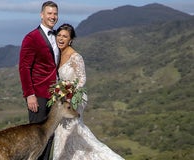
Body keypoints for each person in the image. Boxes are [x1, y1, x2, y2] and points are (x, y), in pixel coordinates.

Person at [52, 23, 125, 160]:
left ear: (71, 40)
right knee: (63, 133)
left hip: (76, 98)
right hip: (63, 99)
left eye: (65, 36)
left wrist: (71, 96)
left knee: (70, 131)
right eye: (59, 35)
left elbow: (82, 79)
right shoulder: (58, 54)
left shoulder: (76, 57)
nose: (61, 39)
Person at [18, 1, 59, 160]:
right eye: (49, 13)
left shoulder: (57, 36)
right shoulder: (31, 37)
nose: (52, 16)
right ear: (41, 15)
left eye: (55, 13)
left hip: (54, 97)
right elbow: (24, 68)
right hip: (38, 96)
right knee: (37, 138)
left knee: (50, 136)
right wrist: (29, 94)